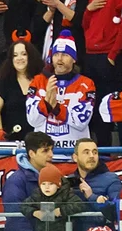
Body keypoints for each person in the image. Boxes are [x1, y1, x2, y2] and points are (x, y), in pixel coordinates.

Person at [79, 0, 122, 147]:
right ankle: (103, 151)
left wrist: (112, 54)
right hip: (91, 57)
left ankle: (120, 149)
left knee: (113, 106)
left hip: (107, 58)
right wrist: (88, 9)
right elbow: (85, 25)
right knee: (96, 107)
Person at [26, 30, 96, 158]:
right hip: (45, 158)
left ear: (74, 58)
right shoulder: (38, 81)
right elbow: (32, 120)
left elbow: (81, 122)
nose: (59, 59)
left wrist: (56, 108)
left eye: (65, 55)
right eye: (56, 54)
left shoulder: (86, 84)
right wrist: (47, 102)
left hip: (74, 157)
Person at [0, 39, 44, 141]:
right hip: (13, 142)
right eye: (15, 55)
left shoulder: (42, 80)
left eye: (23, 54)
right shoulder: (5, 82)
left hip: (40, 141)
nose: (19, 58)